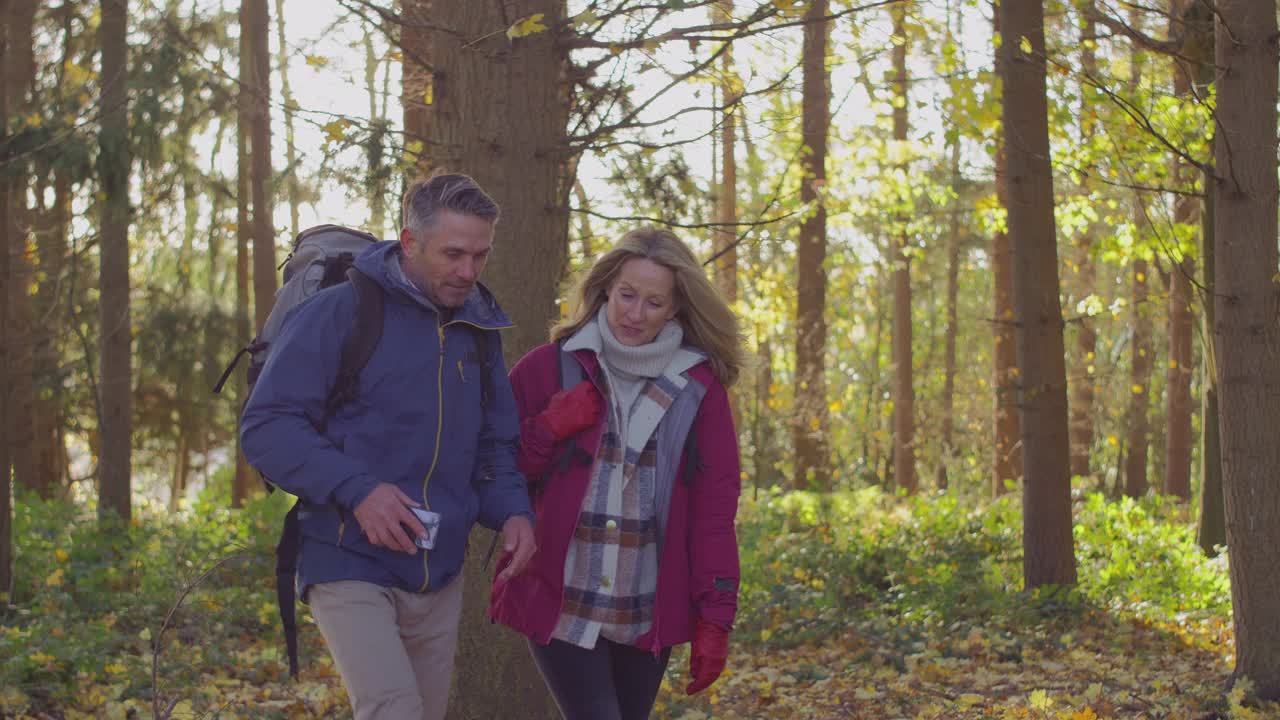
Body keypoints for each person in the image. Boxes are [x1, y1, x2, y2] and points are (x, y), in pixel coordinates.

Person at [241, 173, 536, 720]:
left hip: (438, 569)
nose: (467, 271)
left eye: (480, 255)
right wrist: (359, 491)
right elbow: (267, 426)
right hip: (347, 555)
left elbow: (494, 445)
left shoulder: (479, 329)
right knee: (393, 709)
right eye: (452, 254)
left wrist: (514, 512)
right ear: (409, 242)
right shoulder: (340, 313)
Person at [488, 227, 745, 720]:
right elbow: (496, 471)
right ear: (606, 287)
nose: (635, 313)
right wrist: (546, 429)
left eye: (654, 302)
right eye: (627, 295)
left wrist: (716, 619)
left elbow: (714, 512)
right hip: (562, 600)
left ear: (675, 308)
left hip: (645, 608)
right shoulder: (547, 368)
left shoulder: (698, 389)